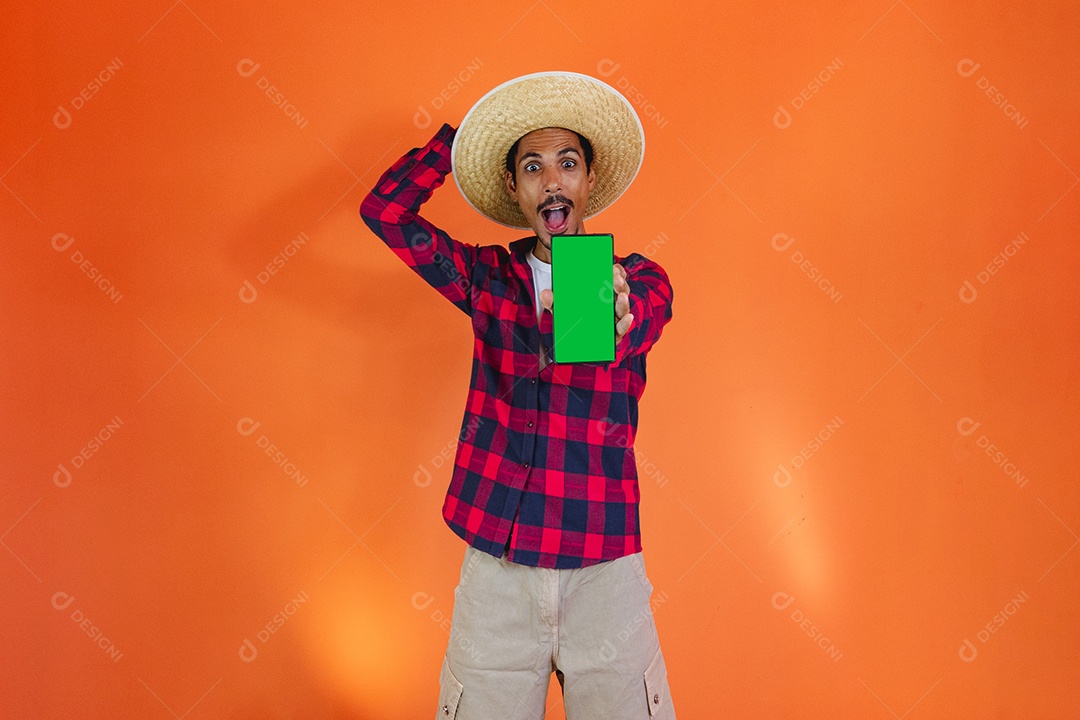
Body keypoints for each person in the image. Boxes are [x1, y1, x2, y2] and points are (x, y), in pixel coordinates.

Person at [360, 71, 676, 719]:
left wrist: (616, 308)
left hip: (603, 567)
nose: (551, 180)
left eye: (567, 163)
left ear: (589, 181)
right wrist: (458, 143)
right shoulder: (486, 279)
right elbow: (384, 212)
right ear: (515, 189)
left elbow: (640, 314)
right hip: (498, 570)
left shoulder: (633, 278)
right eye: (532, 167)